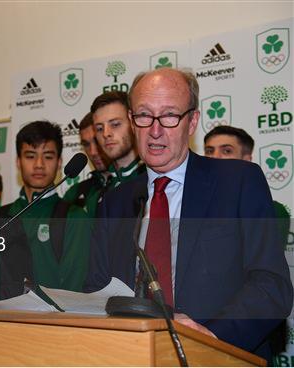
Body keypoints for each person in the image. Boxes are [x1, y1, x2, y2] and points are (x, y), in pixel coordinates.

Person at [85, 68, 292, 361]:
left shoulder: (238, 182)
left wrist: (210, 337)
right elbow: (97, 291)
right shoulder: (114, 203)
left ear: (192, 121)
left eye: (170, 116)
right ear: (132, 122)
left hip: (223, 356)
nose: (155, 130)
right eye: (144, 115)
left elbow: (272, 286)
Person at [0, 121, 90, 298]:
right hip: (3, 321)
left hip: (53, 323)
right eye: (30, 156)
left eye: (48, 156)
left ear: (60, 162)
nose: (39, 164)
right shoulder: (1, 216)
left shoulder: (74, 217)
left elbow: (74, 290)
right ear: (18, 161)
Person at [204, 125, 291, 246]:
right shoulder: (189, 204)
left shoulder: (274, 211)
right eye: (209, 151)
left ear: (246, 161)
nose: (215, 157)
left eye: (227, 151)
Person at [91, 91, 146, 192]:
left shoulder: (154, 180)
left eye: (115, 124)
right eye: (99, 128)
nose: (106, 134)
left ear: (133, 123)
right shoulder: (96, 195)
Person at [63, 112, 111, 216]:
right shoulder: (74, 193)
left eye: (97, 141)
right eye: (86, 144)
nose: (93, 152)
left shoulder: (140, 181)